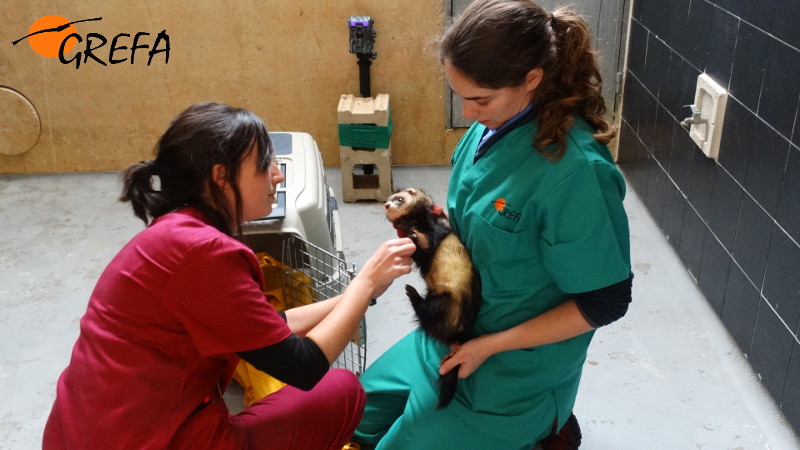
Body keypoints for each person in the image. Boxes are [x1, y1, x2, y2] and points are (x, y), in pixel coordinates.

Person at [43, 102, 416, 449]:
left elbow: (267, 328)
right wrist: (365, 281)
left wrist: (362, 294)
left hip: (86, 432)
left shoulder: (176, 232)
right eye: (264, 164)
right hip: (154, 440)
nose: (277, 175)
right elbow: (302, 366)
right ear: (221, 177)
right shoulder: (204, 253)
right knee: (341, 390)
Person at [352, 1, 633, 448]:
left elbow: (606, 301)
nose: (467, 113)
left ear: (532, 79)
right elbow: (486, 216)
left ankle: (545, 427)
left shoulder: (577, 174)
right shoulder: (491, 126)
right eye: (460, 96)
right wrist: (435, 236)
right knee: (345, 415)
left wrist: (489, 346)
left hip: (509, 369)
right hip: (448, 333)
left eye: (480, 99)